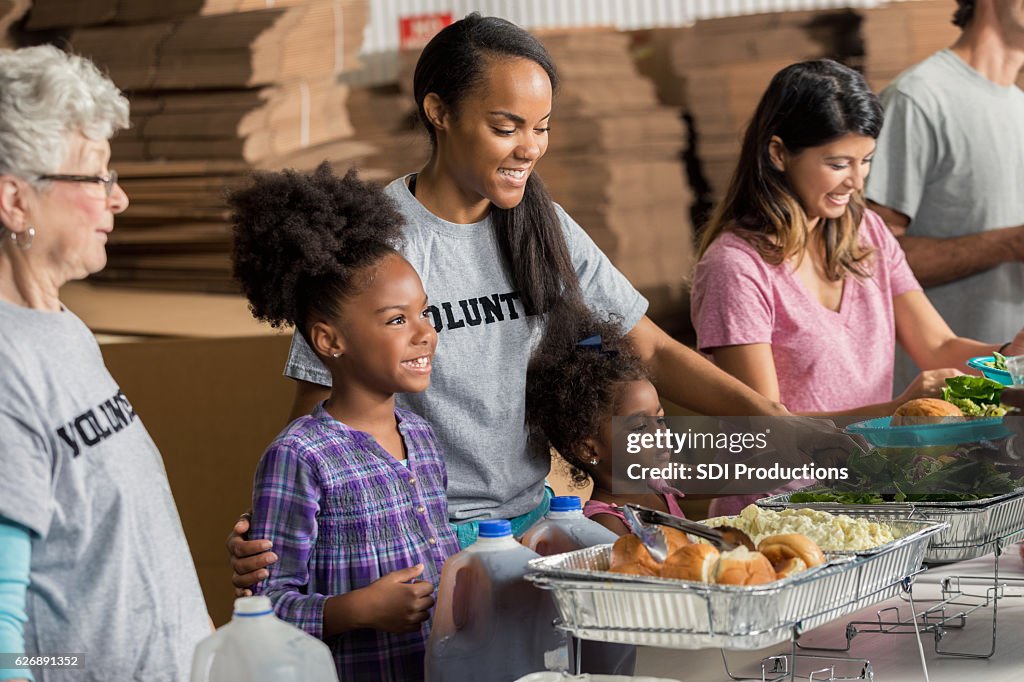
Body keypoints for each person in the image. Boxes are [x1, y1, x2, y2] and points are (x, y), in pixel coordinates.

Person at [227, 12, 821, 591]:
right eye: (506, 127)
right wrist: (276, 532)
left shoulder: (543, 227)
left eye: (541, 127)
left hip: (535, 527)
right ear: (439, 112)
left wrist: (777, 427)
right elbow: (316, 415)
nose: (530, 148)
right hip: (420, 540)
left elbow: (656, 353)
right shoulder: (379, 244)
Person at [0, 46, 210, 682]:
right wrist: (78, 667)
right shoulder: (6, 370)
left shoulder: (62, 330)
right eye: (95, 178)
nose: (118, 199)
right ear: (15, 201)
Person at [691, 59, 1024, 420]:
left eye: (865, 160)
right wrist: (894, 411)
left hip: (872, 475)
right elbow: (765, 426)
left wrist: (1009, 356)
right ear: (778, 154)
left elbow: (938, 346)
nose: (857, 181)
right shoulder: (735, 267)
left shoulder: (868, 232)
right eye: (837, 164)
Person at [230, 165, 459, 681]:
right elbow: (262, 608)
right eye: (398, 319)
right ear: (330, 341)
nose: (426, 333)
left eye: (424, 313)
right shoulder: (301, 456)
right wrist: (355, 611)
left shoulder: (421, 438)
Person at [864, 0, 1024, 393]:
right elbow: (868, 261)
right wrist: (1009, 242)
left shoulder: (1018, 105)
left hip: (1009, 391)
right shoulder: (918, 99)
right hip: (942, 410)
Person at [524, 306, 686, 536]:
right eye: (640, 428)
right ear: (588, 448)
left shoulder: (658, 484)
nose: (660, 434)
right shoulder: (606, 523)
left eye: (660, 420)